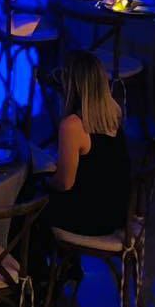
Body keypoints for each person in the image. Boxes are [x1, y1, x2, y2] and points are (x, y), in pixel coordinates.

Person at [44, 51, 132, 236]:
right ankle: (66, 264)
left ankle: (37, 264)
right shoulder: (113, 112)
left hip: (90, 219)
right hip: (117, 213)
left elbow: (64, 184)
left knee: (28, 205)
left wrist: (45, 180)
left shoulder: (72, 126)